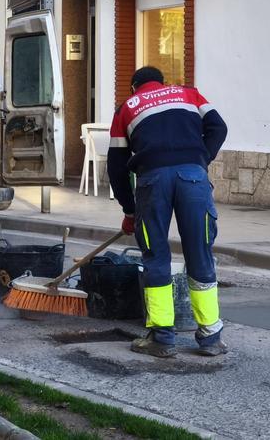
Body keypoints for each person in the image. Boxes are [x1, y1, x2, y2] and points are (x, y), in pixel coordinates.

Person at [107, 66, 228, 357]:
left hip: (153, 181)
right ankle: (210, 336)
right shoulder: (189, 94)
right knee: (200, 254)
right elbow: (219, 128)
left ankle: (162, 338)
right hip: (193, 179)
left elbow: (116, 165)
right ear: (161, 82)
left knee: (156, 254)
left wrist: (129, 211)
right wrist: (200, 158)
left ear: (135, 87)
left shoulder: (127, 108)